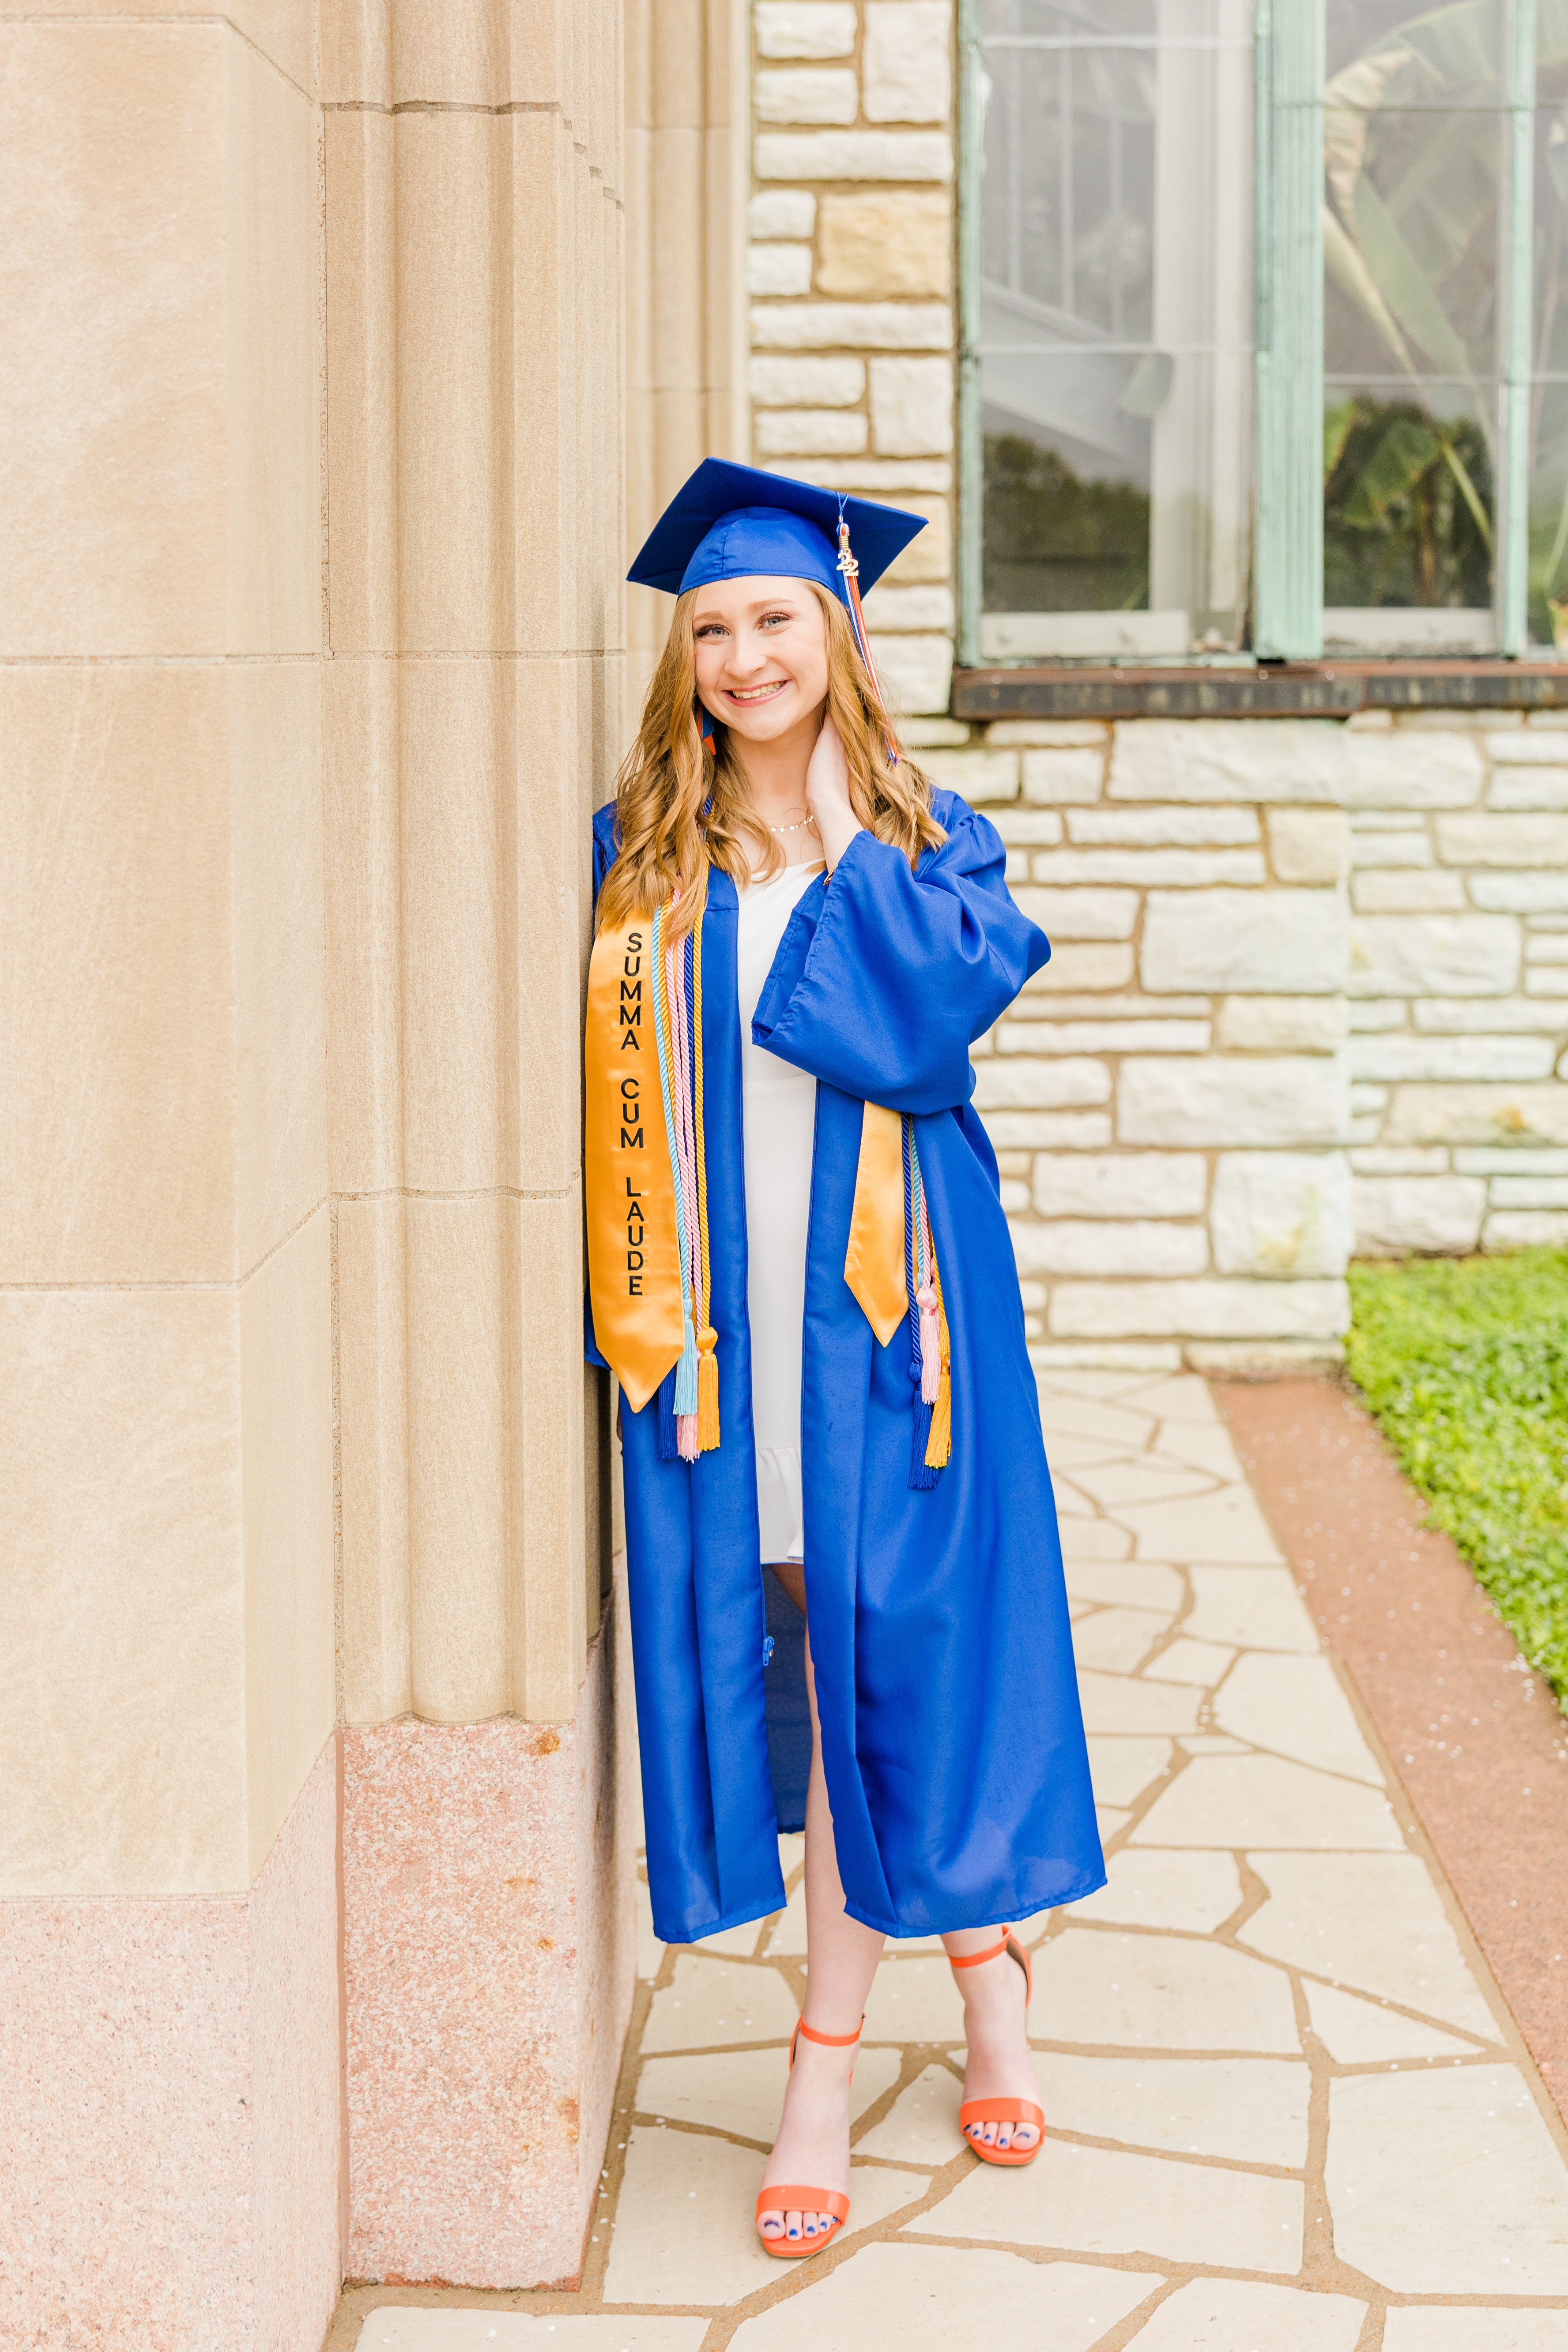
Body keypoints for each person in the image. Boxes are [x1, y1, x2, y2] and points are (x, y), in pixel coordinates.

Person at [584, 460, 1102, 2258]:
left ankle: (822, 2064)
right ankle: (994, 1985)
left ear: (840, 631)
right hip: (721, 1326)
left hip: (897, 1314)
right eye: (711, 629)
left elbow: (929, 1027)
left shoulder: (926, 844)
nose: (741, 655)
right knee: (822, 1645)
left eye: (775, 620)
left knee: (913, 1640)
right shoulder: (640, 855)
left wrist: (826, 843)